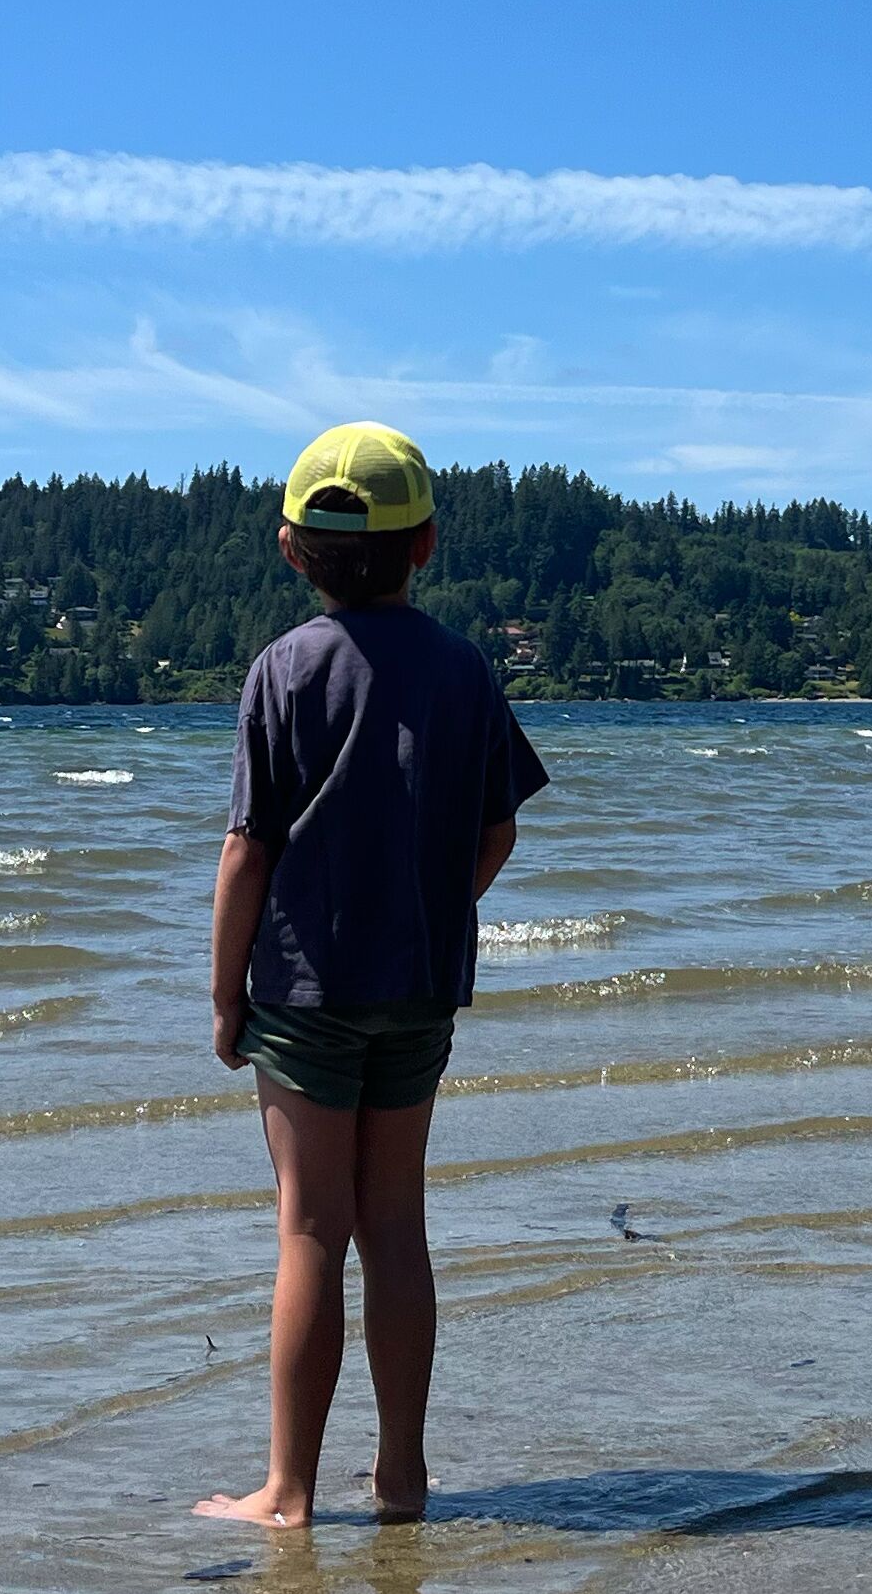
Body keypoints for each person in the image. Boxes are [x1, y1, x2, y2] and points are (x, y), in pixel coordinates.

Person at [195, 421, 548, 1529]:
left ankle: (289, 1492)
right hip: (418, 988)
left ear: (292, 550)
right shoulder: (461, 669)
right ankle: (401, 1479)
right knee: (396, 1224)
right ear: (427, 544)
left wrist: (223, 994)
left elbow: (248, 848)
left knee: (311, 1228)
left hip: (304, 992)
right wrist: (435, 911)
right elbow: (497, 829)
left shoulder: (283, 671)